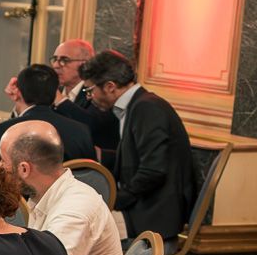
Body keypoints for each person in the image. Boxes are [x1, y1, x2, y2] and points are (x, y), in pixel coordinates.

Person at [84, 49, 196, 240]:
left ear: (110, 86)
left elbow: (153, 171)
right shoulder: (138, 104)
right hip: (145, 206)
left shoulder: (147, 107)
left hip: (153, 213)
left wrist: (115, 202)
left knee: (85, 233)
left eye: (90, 90)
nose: (89, 97)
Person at [1, 125, 124, 255]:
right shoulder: (46, 194)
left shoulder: (74, 212)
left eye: (3, 161)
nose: (0, 167)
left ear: (24, 169)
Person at [0, 63, 96, 162]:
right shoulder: (81, 131)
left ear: (19, 92)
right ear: (55, 93)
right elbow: (91, 175)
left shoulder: (3, 131)